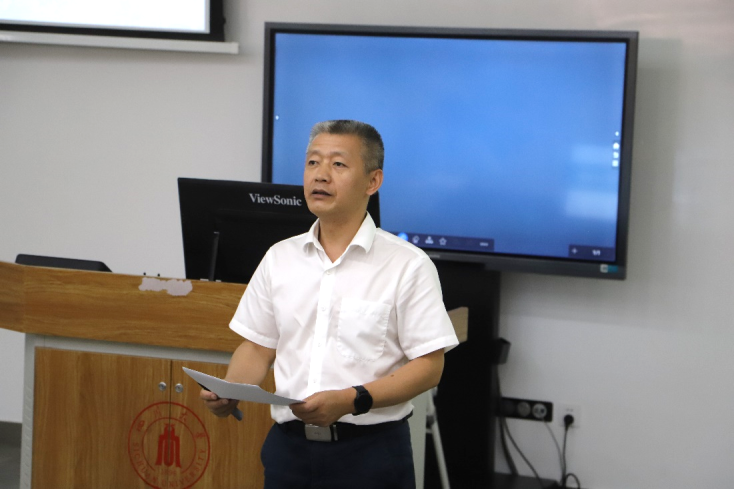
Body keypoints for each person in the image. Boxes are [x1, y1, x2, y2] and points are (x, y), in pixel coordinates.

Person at [201, 120, 459, 489]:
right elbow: (258, 347)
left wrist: (351, 400)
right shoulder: (280, 257)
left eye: (338, 164)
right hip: (288, 451)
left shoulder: (407, 264)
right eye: (312, 162)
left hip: (372, 453)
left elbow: (429, 367)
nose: (320, 175)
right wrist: (230, 389)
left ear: (372, 181)